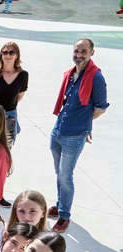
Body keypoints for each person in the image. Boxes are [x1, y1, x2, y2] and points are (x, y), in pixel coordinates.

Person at [50, 40, 108, 232]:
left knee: (66, 175)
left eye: (84, 51)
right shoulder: (70, 74)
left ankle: (64, 215)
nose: (79, 55)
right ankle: (59, 204)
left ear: (92, 52)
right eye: (76, 51)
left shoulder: (96, 77)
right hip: (58, 130)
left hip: (75, 135)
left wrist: (84, 122)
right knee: (59, 172)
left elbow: (100, 108)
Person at [0, 42, 28, 147]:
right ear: (1, 55)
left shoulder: (23, 75)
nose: (8, 55)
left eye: (11, 52)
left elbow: (20, 95)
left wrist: (9, 103)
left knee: (6, 148)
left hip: (9, 115)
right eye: (5, 52)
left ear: (17, 55)